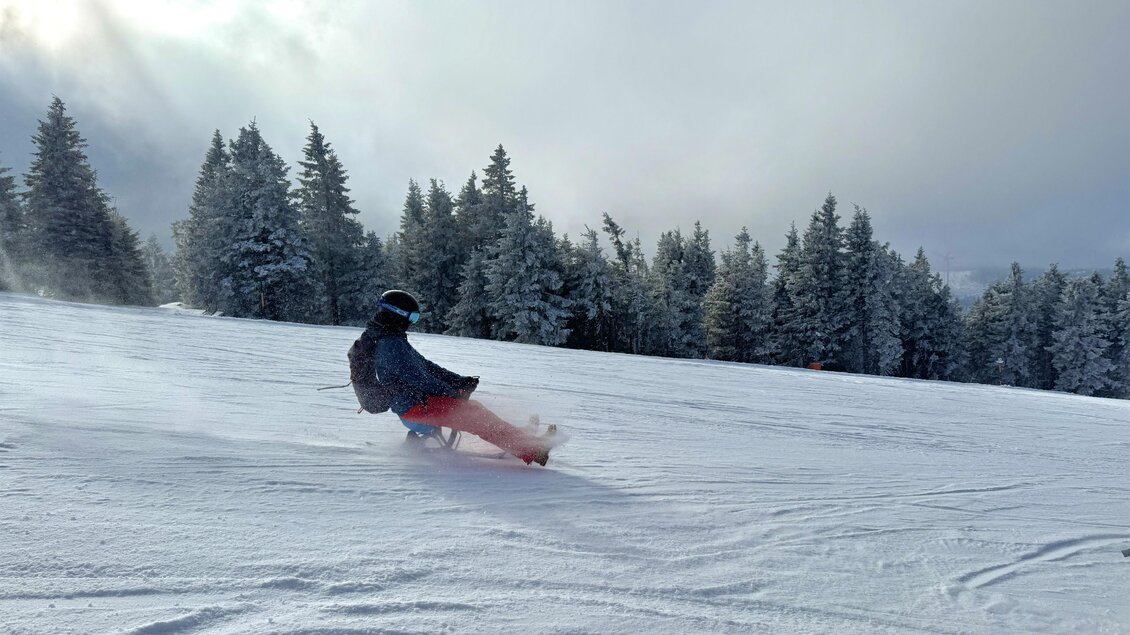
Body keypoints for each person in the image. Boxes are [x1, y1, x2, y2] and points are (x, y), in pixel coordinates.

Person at [365, 289, 552, 466]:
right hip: (414, 408)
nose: (412, 322)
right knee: (475, 416)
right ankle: (533, 450)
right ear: (396, 314)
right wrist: (453, 393)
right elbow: (420, 379)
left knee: (475, 409)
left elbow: (427, 366)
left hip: (417, 403)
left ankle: (522, 438)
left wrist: (458, 380)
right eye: (412, 317)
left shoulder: (394, 340)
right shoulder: (390, 346)